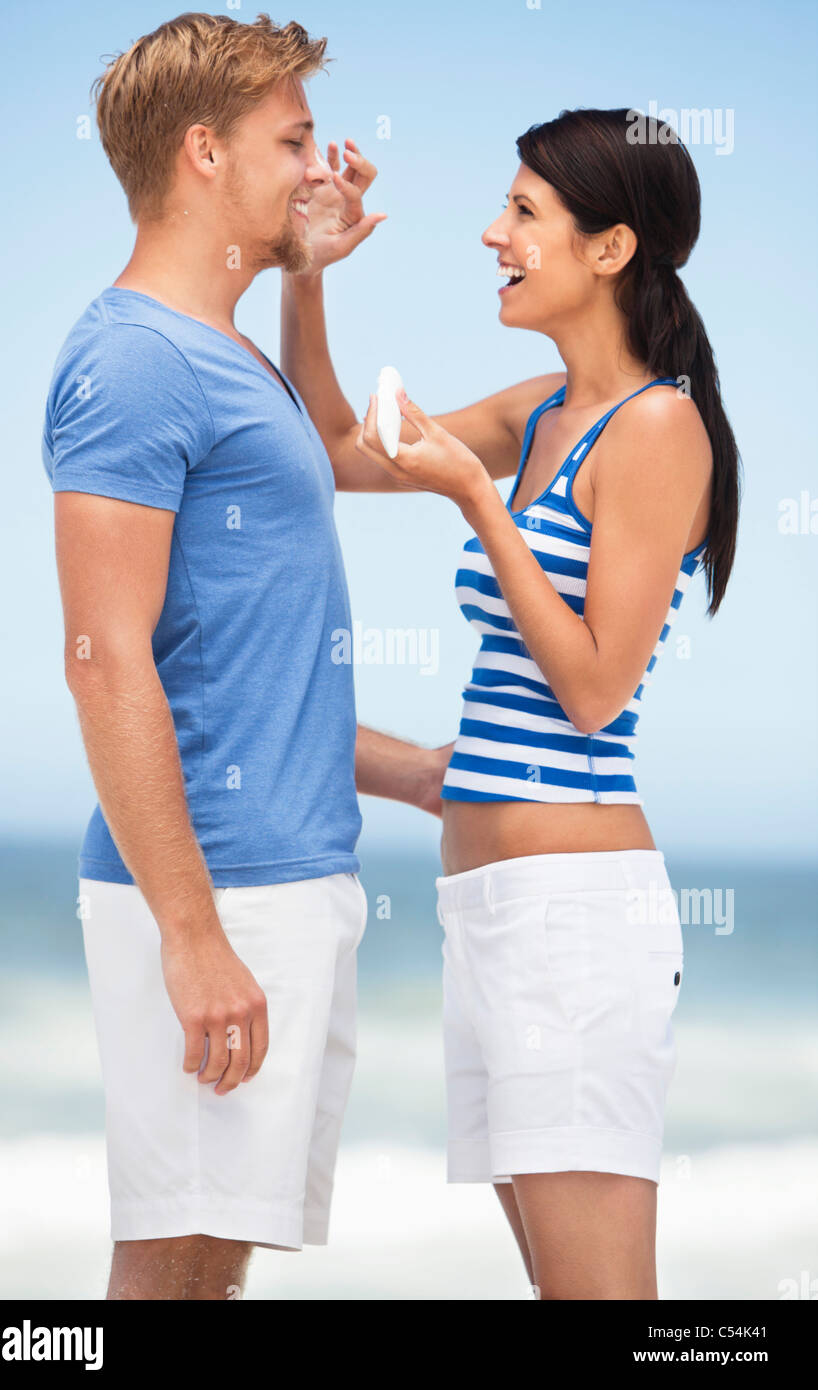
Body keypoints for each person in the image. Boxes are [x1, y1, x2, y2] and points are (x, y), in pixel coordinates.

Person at [282, 107, 740, 1299]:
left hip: (571, 922)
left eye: (523, 213)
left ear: (609, 248)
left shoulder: (656, 429)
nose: (493, 233)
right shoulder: (543, 408)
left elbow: (592, 689)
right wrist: (305, 274)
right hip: (490, 913)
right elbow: (333, 445)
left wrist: (475, 506)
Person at [42, 12, 443, 1301]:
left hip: (279, 881)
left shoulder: (224, 358)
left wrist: (419, 774)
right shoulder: (134, 359)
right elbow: (106, 661)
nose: (320, 168)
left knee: (209, 1270)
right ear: (205, 152)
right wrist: (191, 931)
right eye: (295, 141)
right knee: (173, 1268)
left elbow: (244, 676)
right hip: (224, 897)